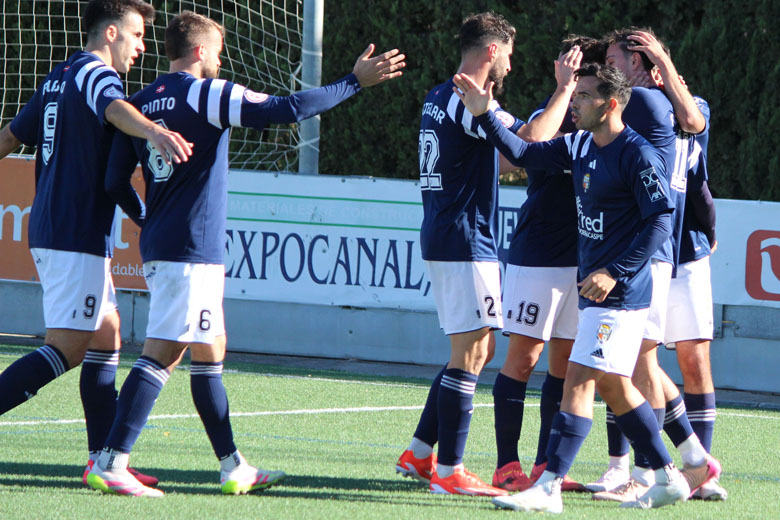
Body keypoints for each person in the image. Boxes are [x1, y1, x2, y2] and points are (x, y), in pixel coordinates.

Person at [86, 10, 405, 497]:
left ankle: (232, 465)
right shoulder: (208, 94)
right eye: (216, 51)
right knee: (163, 352)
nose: (219, 59)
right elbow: (288, 108)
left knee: (209, 351)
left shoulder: (141, 100)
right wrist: (352, 83)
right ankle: (111, 459)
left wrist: (149, 219)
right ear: (198, 52)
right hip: (190, 250)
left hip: (173, 246)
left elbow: (113, 182)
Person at [454, 62, 717, 512]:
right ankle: (673, 470)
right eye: (575, 96)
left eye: (584, 97)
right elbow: (523, 152)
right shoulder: (579, 144)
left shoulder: (636, 154)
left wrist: (615, 270)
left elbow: (660, 219)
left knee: (578, 378)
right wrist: (483, 115)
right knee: (614, 385)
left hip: (621, 293)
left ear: (611, 104)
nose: (575, 104)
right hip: (594, 292)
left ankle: (549, 485)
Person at [0, 0, 191, 487]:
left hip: (59, 227)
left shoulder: (56, 77)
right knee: (66, 348)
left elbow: (9, 136)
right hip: (74, 231)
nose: (143, 47)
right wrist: (154, 131)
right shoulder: (94, 74)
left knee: (106, 335)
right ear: (110, 33)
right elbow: (114, 106)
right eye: (137, 35)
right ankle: (104, 461)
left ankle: (104, 461)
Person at [394, 11, 581, 496]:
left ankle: (419, 452)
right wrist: (563, 90)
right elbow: (532, 143)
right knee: (475, 351)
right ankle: (450, 470)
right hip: (463, 237)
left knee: (472, 348)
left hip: (446, 232)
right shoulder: (466, 100)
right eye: (510, 56)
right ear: (492, 51)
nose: (512, 68)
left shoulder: (440, 96)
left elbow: (500, 157)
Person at [588, 28, 719, 501]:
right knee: (631, 358)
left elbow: (695, 143)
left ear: (643, 62)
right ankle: (669, 463)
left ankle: (670, 468)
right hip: (650, 247)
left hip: (667, 248)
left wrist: (709, 225)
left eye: (615, 61)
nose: (608, 71)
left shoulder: (664, 104)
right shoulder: (633, 105)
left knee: (645, 360)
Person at [490, 35, 604, 494]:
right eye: (570, 67)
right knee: (523, 359)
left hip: (581, 262)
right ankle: (506, 465)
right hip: (536, 256)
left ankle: (544, 467)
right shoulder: (554, 110)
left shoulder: (606, 117)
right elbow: (521, 151)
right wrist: (562, 91)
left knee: (564, 366)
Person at [664, 95, 726, 500]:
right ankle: (625, 466)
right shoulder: (614, 104)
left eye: (616, 58)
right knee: (632, 359)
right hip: (637, 253)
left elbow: (693, 123)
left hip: (686, 253)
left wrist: (667, 72)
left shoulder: (693, 105)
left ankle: (701, 470)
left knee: (695, 359)